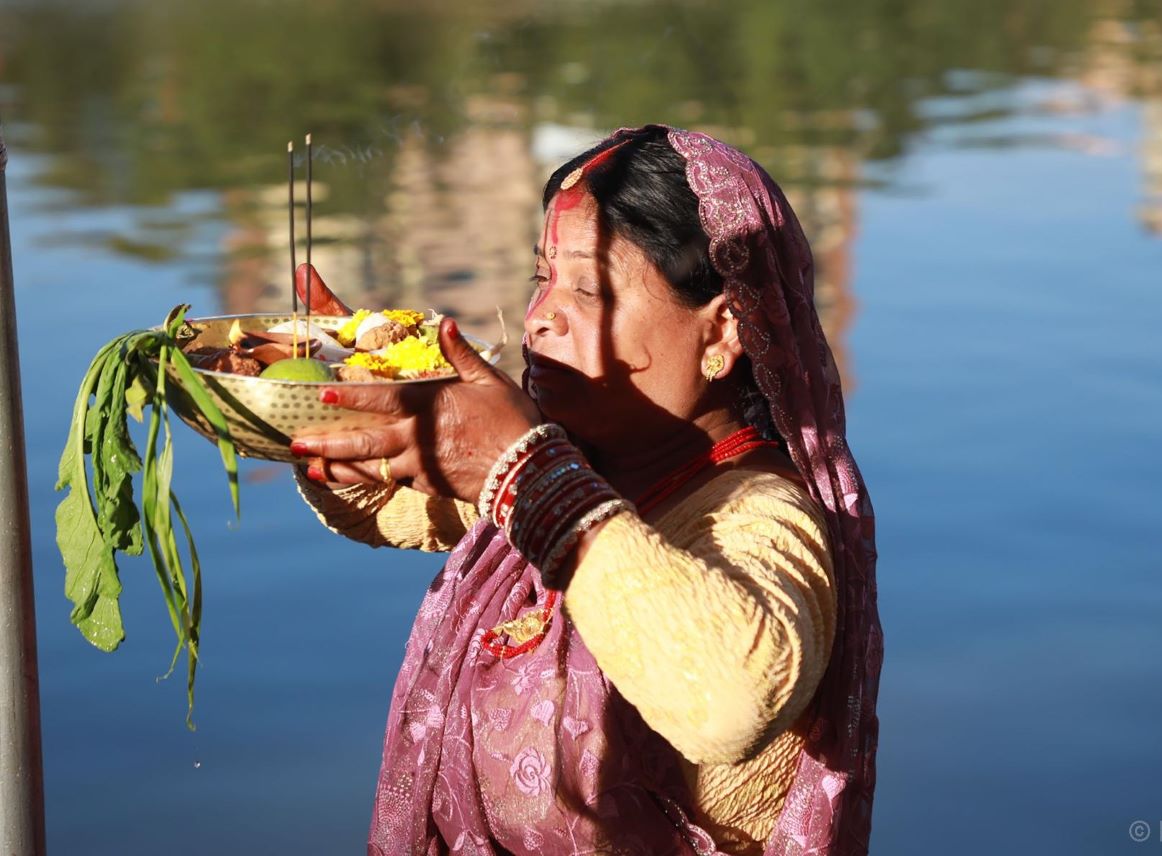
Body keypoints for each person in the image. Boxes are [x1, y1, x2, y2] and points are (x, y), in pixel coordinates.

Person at [288, 125, 881, 856]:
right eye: (543, 277)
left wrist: (523, 471)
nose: (540, 316)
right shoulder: (584, 463)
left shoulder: (760, 517)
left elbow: (731, 702)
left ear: (723, 330)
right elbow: (383, 502)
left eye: (589, 289)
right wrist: (330, 388)